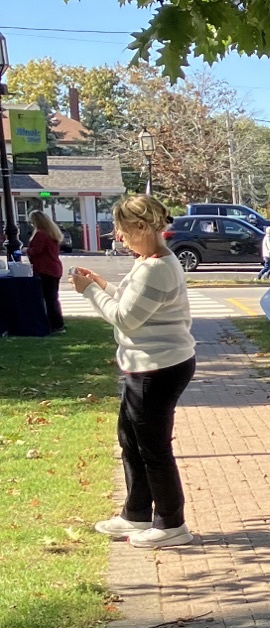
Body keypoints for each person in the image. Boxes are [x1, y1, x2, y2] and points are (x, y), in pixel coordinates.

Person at [71, 193, 196, 548]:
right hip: (147, 364)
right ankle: (137, 513)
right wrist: (103, 285)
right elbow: (134, 303)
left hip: (158, 367)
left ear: (141, 227)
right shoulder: (150, 261)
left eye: (122, 229)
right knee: (131, 440)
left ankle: (171, 523)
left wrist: (90, 292)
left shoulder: (157, 266)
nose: (118, 236)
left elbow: (126, 318)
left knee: (153, 447)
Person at [25, 209, 65, 331]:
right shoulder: (52, 233)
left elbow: (36, 251)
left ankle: (54, 324)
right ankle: (57, 323)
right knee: (52, 298)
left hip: (45, 269)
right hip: (54, 268)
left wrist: (26, 250)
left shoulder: (41, 234)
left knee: (48, 298)